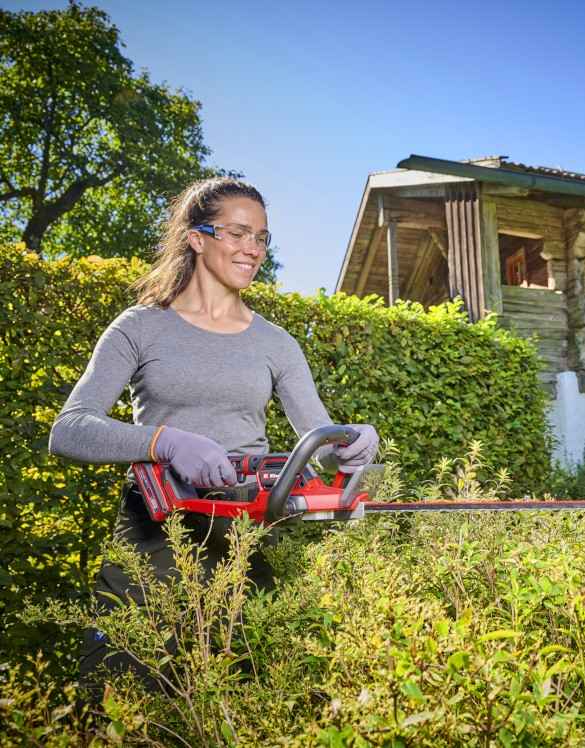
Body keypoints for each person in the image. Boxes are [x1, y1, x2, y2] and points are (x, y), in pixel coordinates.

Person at [48, 176, 379, 695]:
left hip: (245, 535)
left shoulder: (276, 343)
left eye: (262, 238)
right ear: (197, 238)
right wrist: (167, 442)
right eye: (238, 233)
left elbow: (319, 441)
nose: (253, 249)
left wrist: (350, 446)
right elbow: (70, 429)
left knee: (251, 693)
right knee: (122, 688)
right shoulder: (139, 327)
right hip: (155, 532)